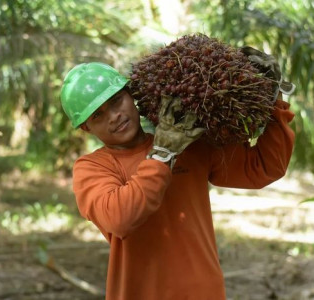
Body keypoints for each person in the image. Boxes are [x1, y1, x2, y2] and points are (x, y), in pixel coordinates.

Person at [60, 55, 295, 300]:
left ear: (131, 95)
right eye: (98, 115)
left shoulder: (188, 140)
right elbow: (120, 218)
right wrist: (162, 155)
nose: (114, 116)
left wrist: (274, 96)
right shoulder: (92, 168)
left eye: (117, 101)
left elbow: (266, 167)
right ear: (87, 127)